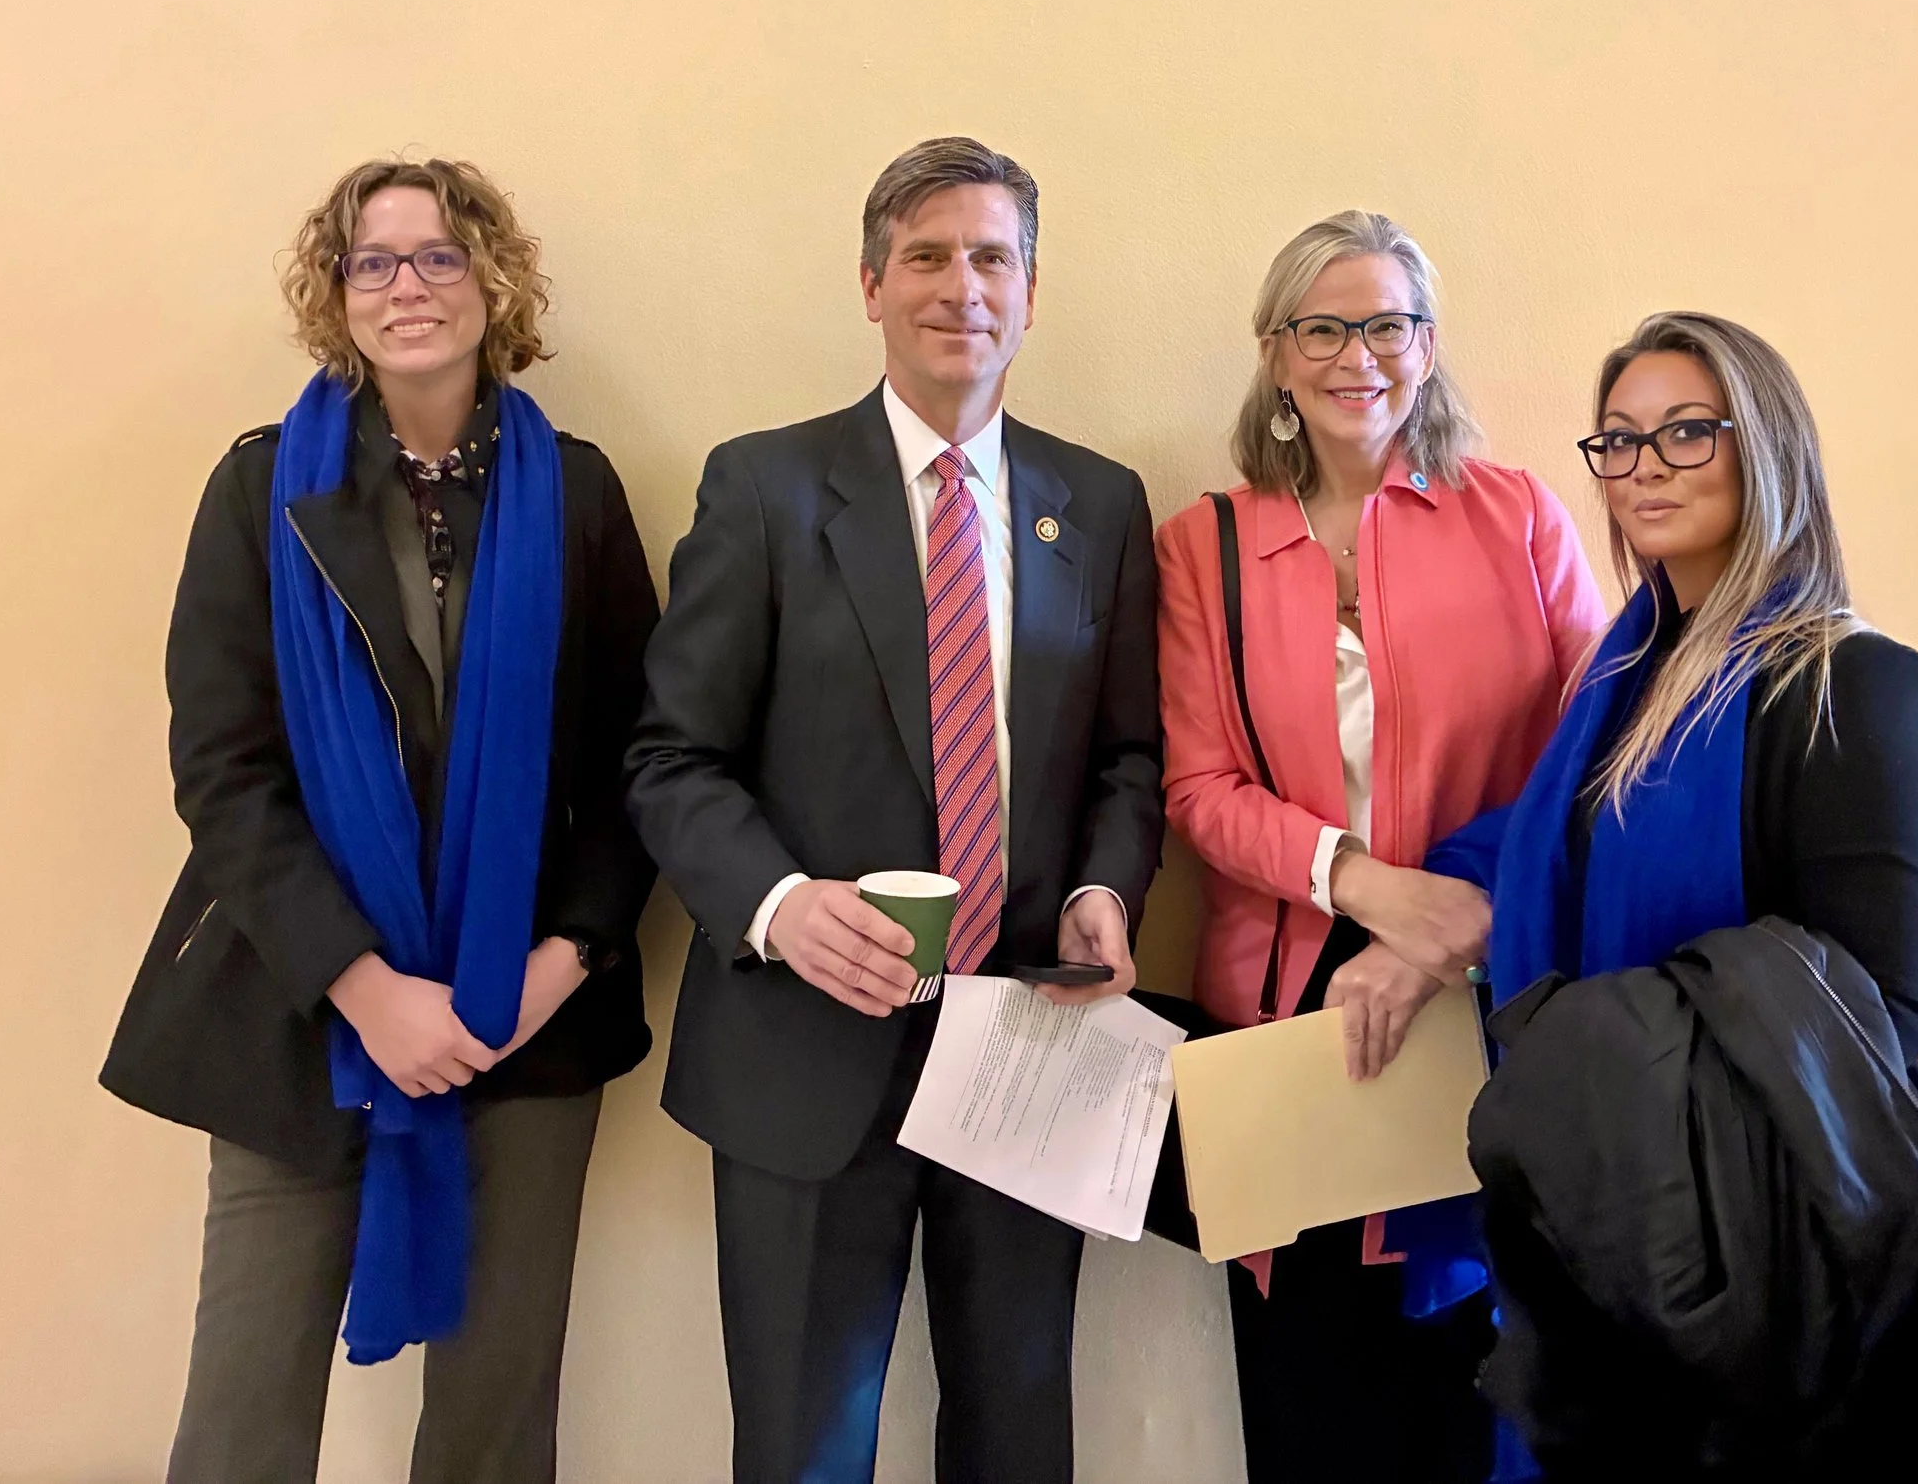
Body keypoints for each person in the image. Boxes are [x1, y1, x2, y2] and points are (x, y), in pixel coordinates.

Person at [99, 158, 660, 1484]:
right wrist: (366, 986)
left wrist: (554, 964)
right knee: (242, 1420)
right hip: (303, 1012)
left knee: (495, 1421)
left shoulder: (575, 493)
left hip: (518, 1018)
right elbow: (223, 770)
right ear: (336, 292)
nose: (408, 285)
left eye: (439, 256)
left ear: (490, 281)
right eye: (374, 260)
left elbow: (640, 758)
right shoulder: (259, 491)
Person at [625, 136, 1165, 1484]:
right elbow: (670, 757)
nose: (960, 285)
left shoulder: (1095, 505)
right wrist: (780, 906)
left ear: (1031, 292)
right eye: (926, 254)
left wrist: (1106, 889)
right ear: (871, 283)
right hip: (805, 1052)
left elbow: (1128, 758)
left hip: (1028, 1046)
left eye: (992, 256)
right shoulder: (764, 487)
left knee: (1019, 1435)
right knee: (804, 1448)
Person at [1433, 310, 1918, 1478]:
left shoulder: (1848, 683)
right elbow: (1538, 848)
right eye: (1616, 441)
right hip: (1598, 1206)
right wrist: (1396, 909)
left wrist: (1600, 1044)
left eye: (1684, 434)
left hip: (1756, 1227)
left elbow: (1896, 995)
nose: (1641, 469)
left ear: (1762, 445)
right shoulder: (1619, 680)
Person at [1152, 210, 1606, 1483]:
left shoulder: (1516, 516)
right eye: (1324, 327)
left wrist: (1435, 932)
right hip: (1292, 1030)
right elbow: (1198, 786)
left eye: (1388, 324)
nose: (1361, 355)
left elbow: (1601, 757)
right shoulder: (1206, 547)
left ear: (1427, 343)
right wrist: (1362, 886)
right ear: (1277, 354)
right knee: (1310, 1409)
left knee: (1476, 1398)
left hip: (1489, 1002)